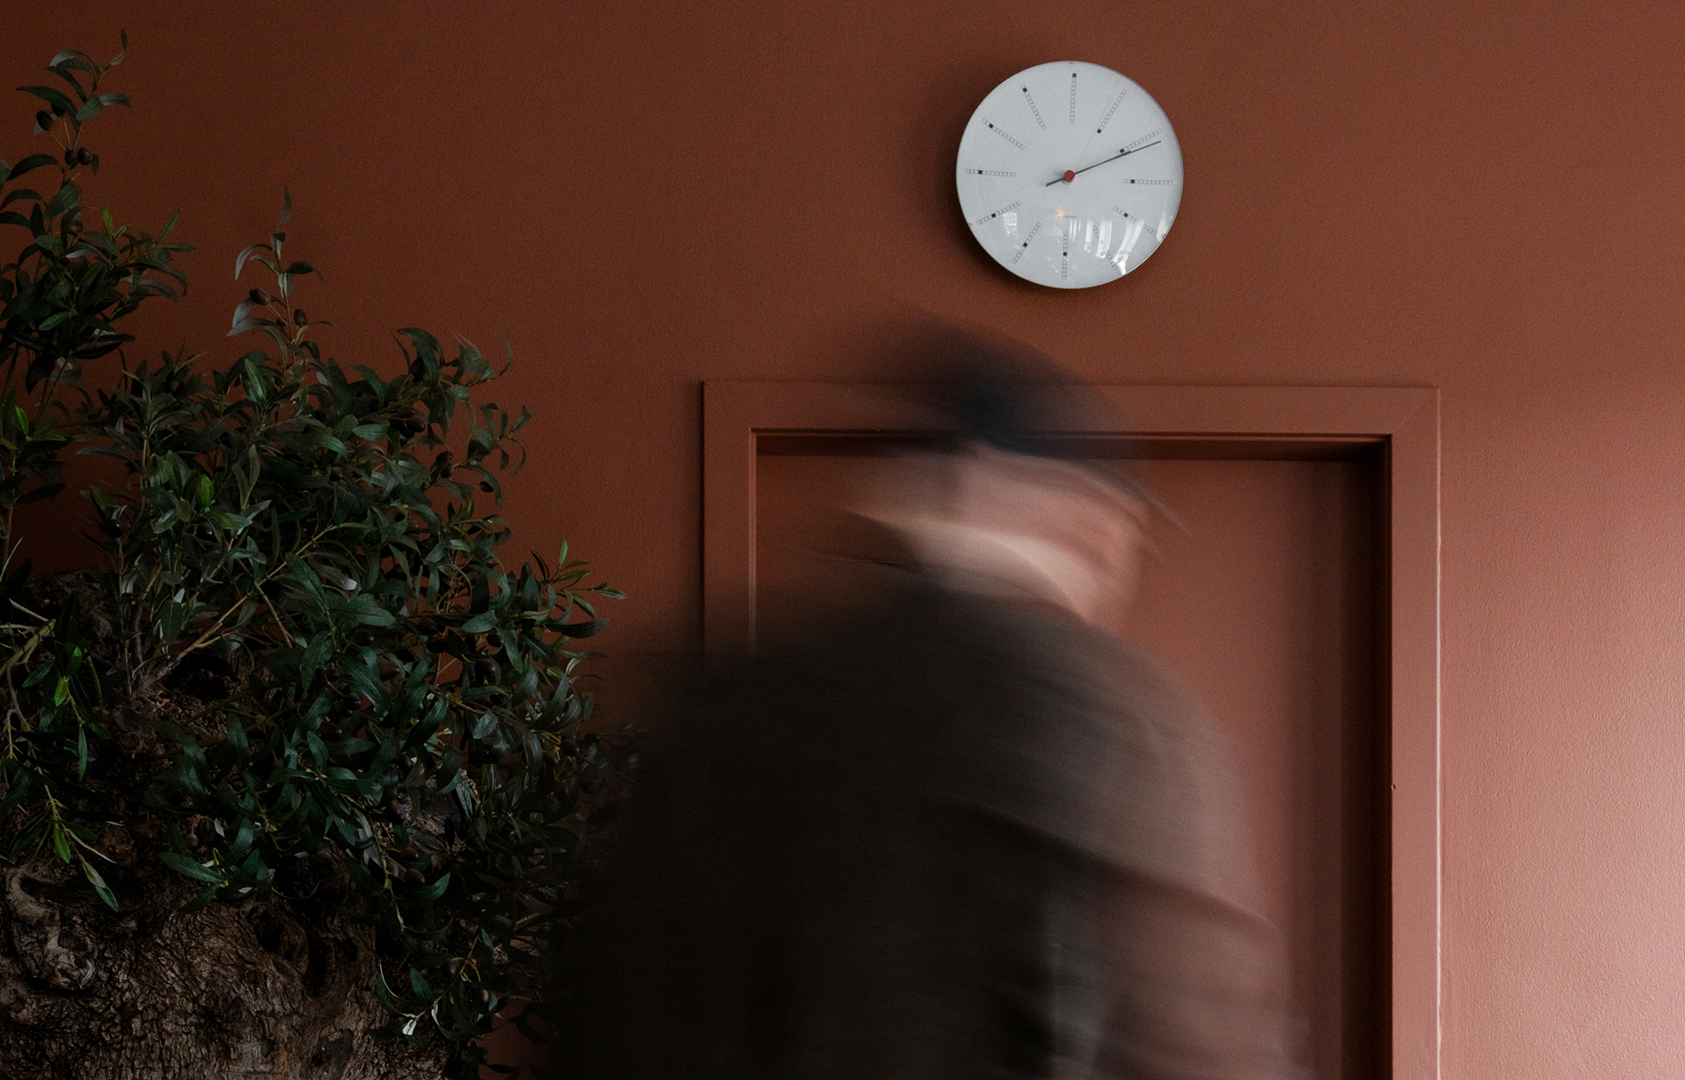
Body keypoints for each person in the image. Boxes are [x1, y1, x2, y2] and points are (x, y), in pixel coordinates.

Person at [558, 349, 1308, 1080]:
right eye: (1107, 518)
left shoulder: (719, 695)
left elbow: (617, 1009)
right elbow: (1203, 1041)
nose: (1115, 554)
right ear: (1028, 497)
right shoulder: (1107, 703)